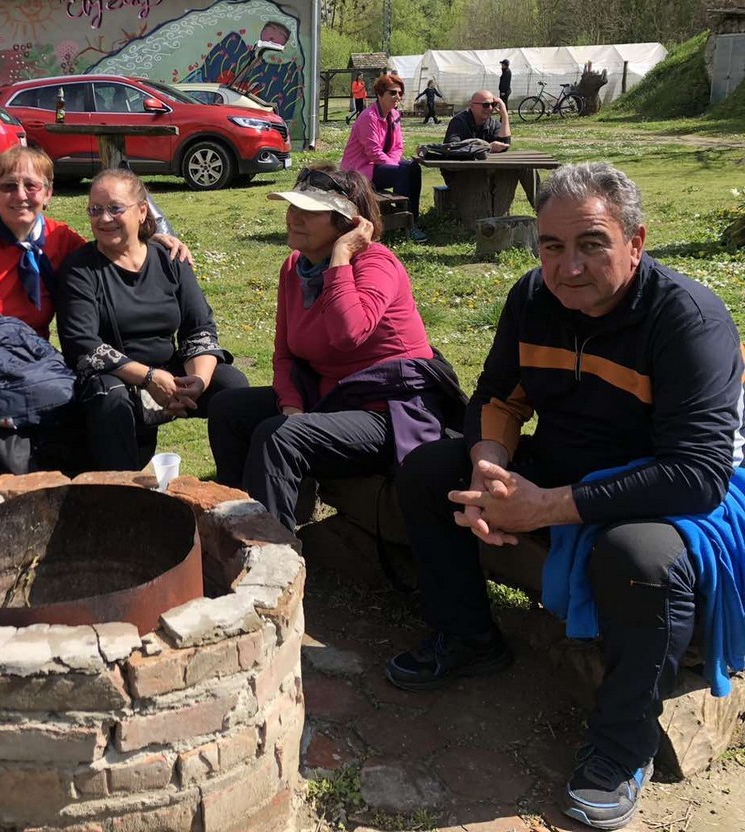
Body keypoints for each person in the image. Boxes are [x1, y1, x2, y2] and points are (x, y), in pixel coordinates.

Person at [384, 163, 745, 830]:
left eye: (591, 244)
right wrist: (490, 467)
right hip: (561, 462)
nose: (568, 267)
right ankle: (467, 638)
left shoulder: (688, 320)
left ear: (636, 242)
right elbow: (497, 396)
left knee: (639, 560)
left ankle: (622, 748)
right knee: (432, 471)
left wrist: (544, 506)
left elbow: (697, 475)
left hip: (657, 487)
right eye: (551, 246)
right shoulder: (532, 298)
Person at [208, 166, 461, 529]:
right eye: (293, 206)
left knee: (279, 437)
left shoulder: (377, 264)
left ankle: (271, 551)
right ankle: (237, 529)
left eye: (309, 211)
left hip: (390, 411)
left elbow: (348, 333)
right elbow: (284, 354)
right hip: (332, 397)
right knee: (228, 409)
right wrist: (291, 406)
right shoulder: (295, 268)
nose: (293, 217)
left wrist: (341, 257)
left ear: (347, 223)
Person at [0, 145, 189, 478]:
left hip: (32, 369)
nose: (20, 195)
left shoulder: (61, 241)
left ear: (48, 193)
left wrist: (152, 240)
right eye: (8, 186)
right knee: (23, 469)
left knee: (92, 425)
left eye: (31, 186)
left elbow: (111, 252)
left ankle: (115, 492)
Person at [56, 169, 248, 471]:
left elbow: (199, 329)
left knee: (232, 386)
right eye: (95, 209)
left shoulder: (169, 258)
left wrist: (197, 382)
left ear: (142, 210)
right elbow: (82, 345)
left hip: (170, 373)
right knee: (111, 396)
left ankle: (237, 487)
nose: (104, 218)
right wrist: (149, 378)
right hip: (116, 377)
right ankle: (122, 492)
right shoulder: (80, 270)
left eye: (115, 208)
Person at [340, 73, 427, 243]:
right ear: (380, 94)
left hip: (377, 166)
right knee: (402, 171)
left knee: (413, 168)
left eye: (400, 93)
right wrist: (395, 166)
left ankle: (413, 218)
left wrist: (394, 164)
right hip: (358, 171)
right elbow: (373, 152)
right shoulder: (368, 117)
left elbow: (397, 147)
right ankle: (405, 223)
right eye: (392, 93)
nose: (397, 97)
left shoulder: (394, 116)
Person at [444, 90, 511, 152]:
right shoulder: (459, 122)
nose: (490, 108)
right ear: (471, 105)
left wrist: (504, 116)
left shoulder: (493, 124)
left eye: (493, 104)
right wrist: (487, 147)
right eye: (486, 105)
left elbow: (504, 146)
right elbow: (452, 147)